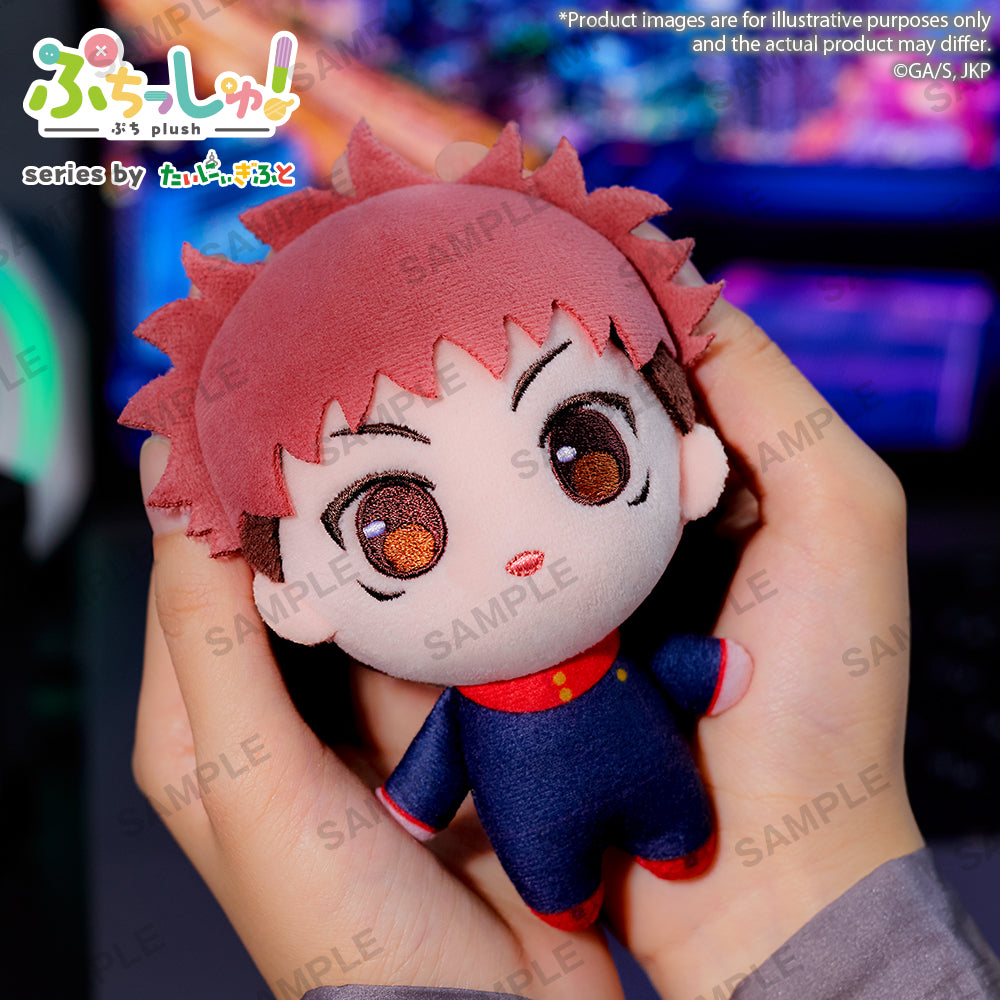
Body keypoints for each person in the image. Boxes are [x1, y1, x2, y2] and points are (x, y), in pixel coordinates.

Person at [131, 138, 1000, 1000]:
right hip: (533, 819)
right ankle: (568, 892)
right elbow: (440, 762)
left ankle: (670, 848)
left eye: (584, 450)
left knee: (670, 823)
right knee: (552, 874)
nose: (519, 545)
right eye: (400, 529)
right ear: (294, 601)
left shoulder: (616, 648)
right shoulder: (468, 709)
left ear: (689, 460)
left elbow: (672, 668)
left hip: (663, 777)